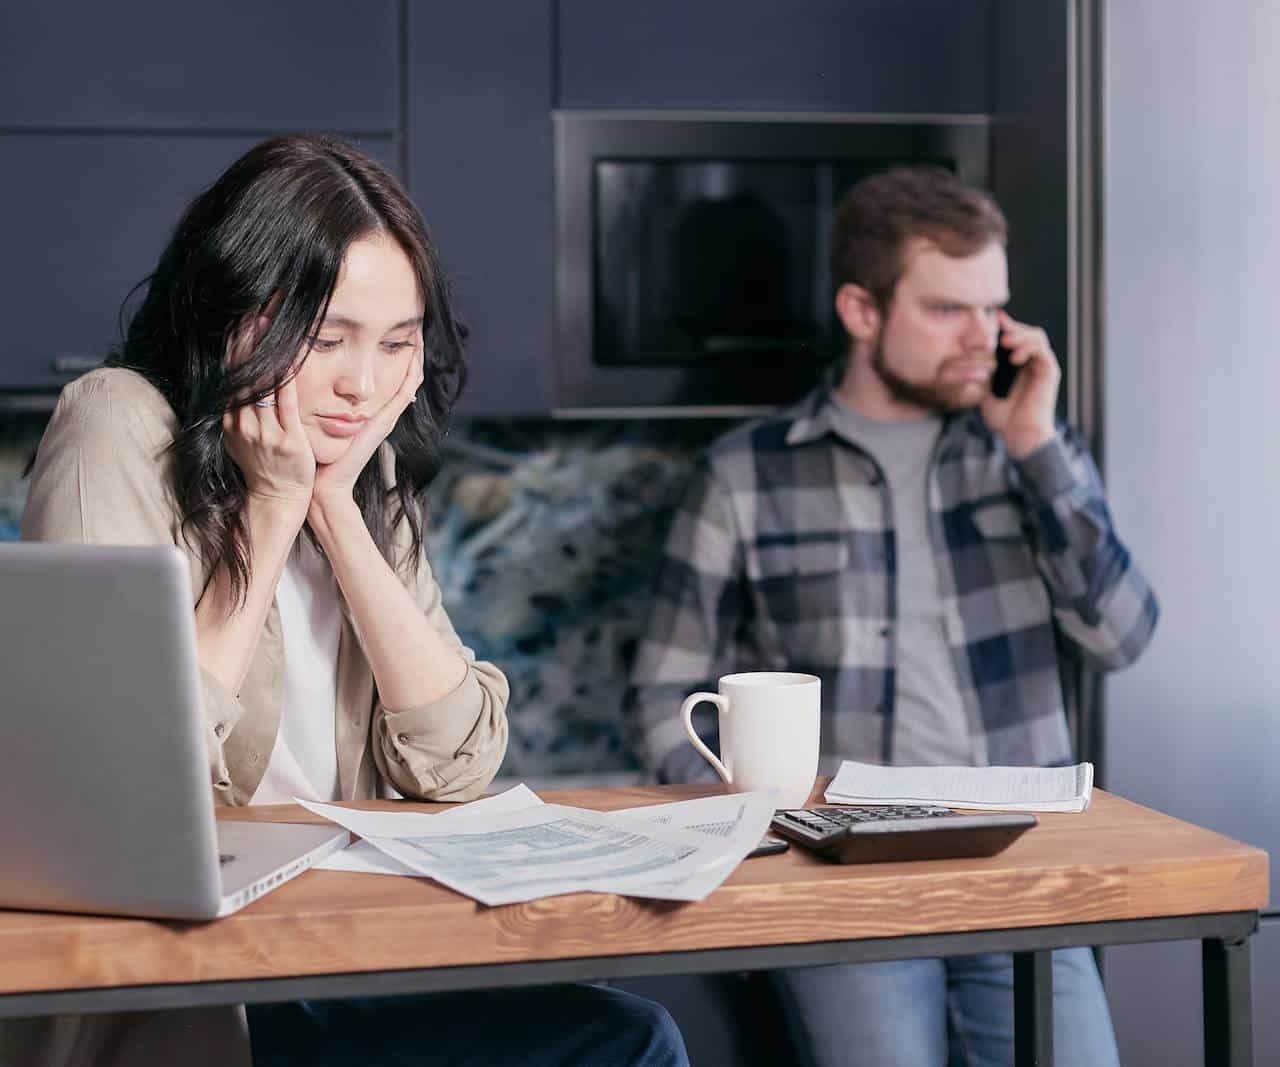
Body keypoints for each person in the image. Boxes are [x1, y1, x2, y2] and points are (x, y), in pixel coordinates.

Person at [12, 134, 687, 1067]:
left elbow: (454, 762)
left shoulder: (365, 471)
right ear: (232, 317)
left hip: (347, 952)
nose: (361, 384)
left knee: (630, 1038)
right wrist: (274, 505)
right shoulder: (118, 422)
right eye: (327, 340)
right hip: (196, 982)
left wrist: (333, 502)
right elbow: (121, 780)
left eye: (396, 344)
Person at [625, 165, 1158, 1066]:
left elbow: (1121, 634)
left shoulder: (1029, 451)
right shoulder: (745, 474)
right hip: (846, 877)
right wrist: (768, 823)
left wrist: (1036, 445)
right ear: (861, 312)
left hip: (1023, 866)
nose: (983, 338)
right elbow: (660, 698)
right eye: (949, 309)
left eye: (995, 309)